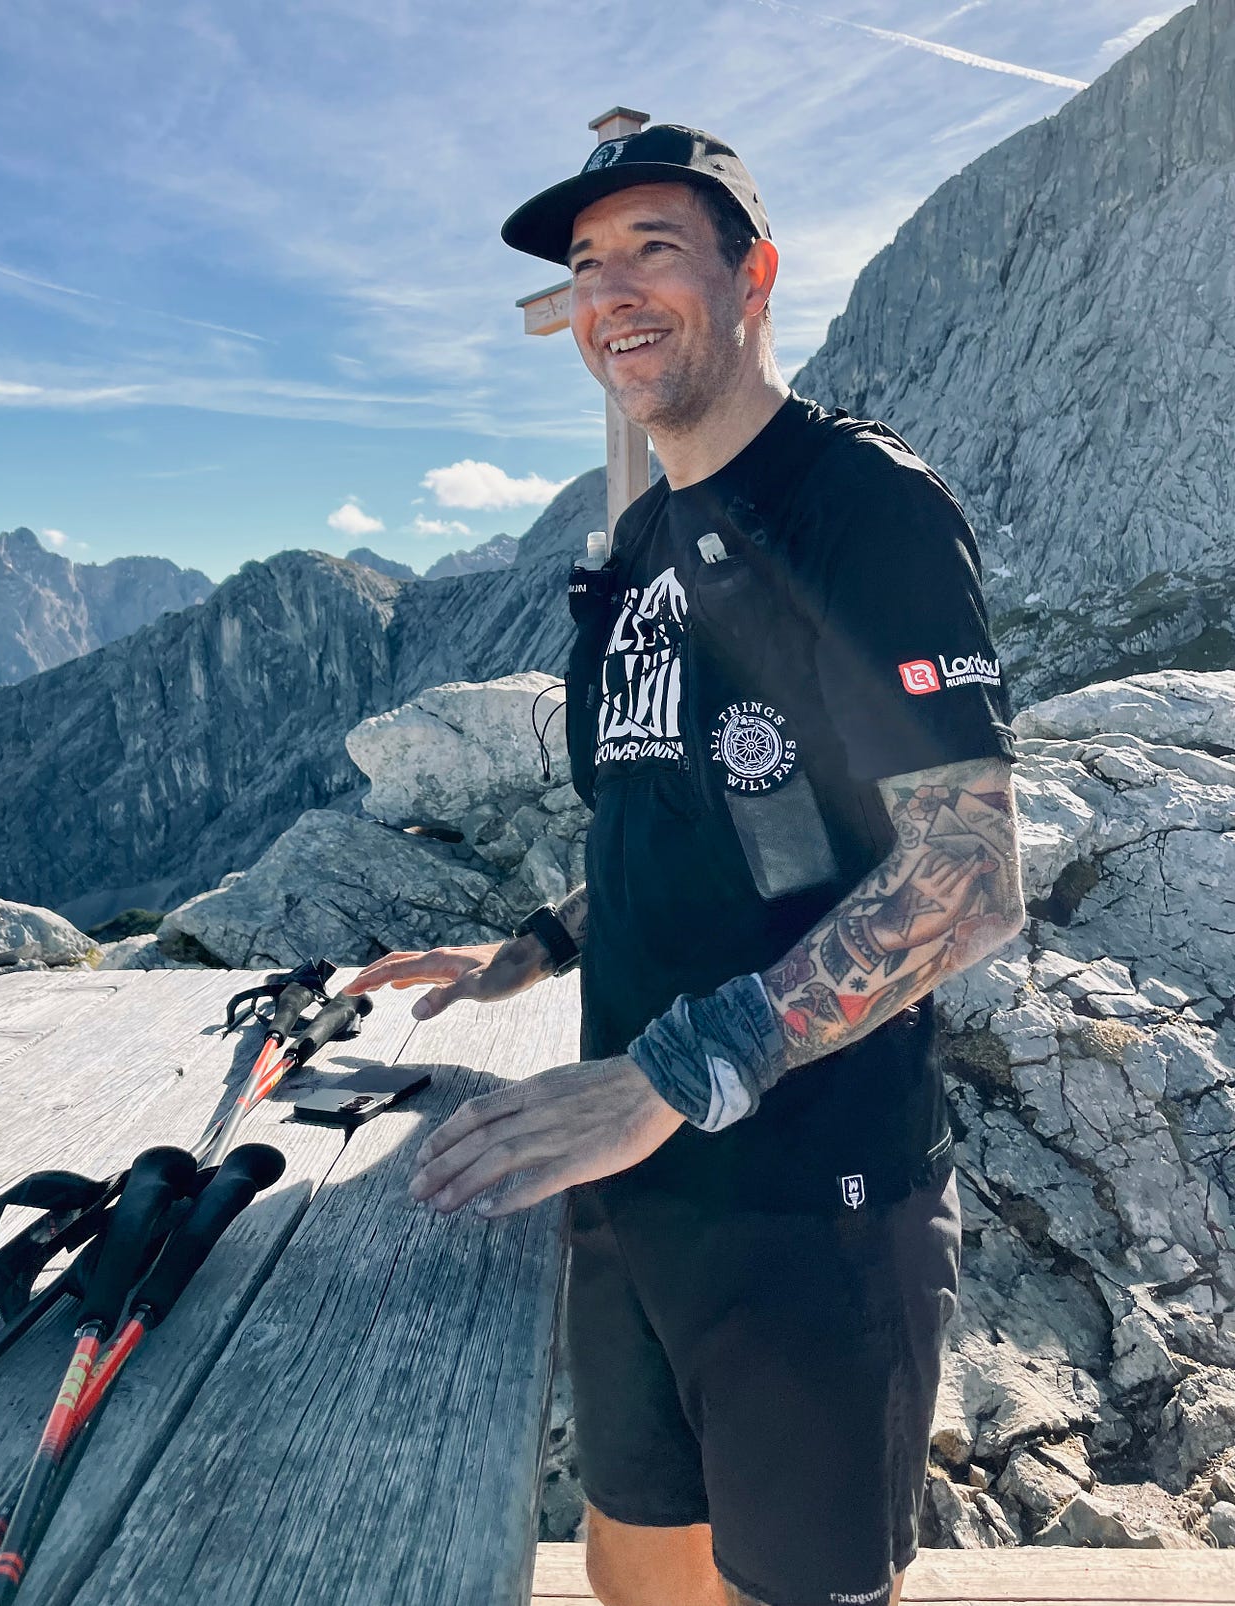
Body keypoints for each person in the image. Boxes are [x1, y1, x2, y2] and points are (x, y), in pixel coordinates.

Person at [344, 123, 1023, 1606]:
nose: (612, 291)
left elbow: (968, 874)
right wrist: (520, 951)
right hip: (638, 1190)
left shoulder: (862, 509)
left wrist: (673, 1071)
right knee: (632, 1571)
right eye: (589, 264)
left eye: (656, 246)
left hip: (813, 1202)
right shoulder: (642, 540)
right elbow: (680, 818)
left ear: (754, 274)